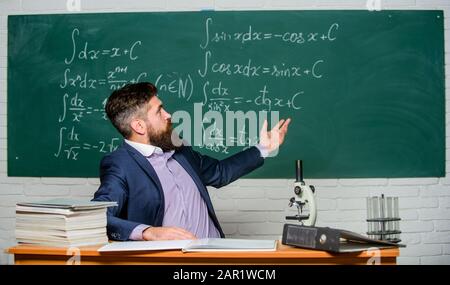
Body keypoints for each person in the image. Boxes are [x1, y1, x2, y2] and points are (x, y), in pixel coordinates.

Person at [93, 82, 290, 241]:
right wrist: (148, 232)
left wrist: (264, 148)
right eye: (159, 111)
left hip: (217, 255)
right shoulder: (120, 164)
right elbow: (99, 216)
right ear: (139, 126)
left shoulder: (180, 150)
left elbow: (220, 172)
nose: (168, 115)